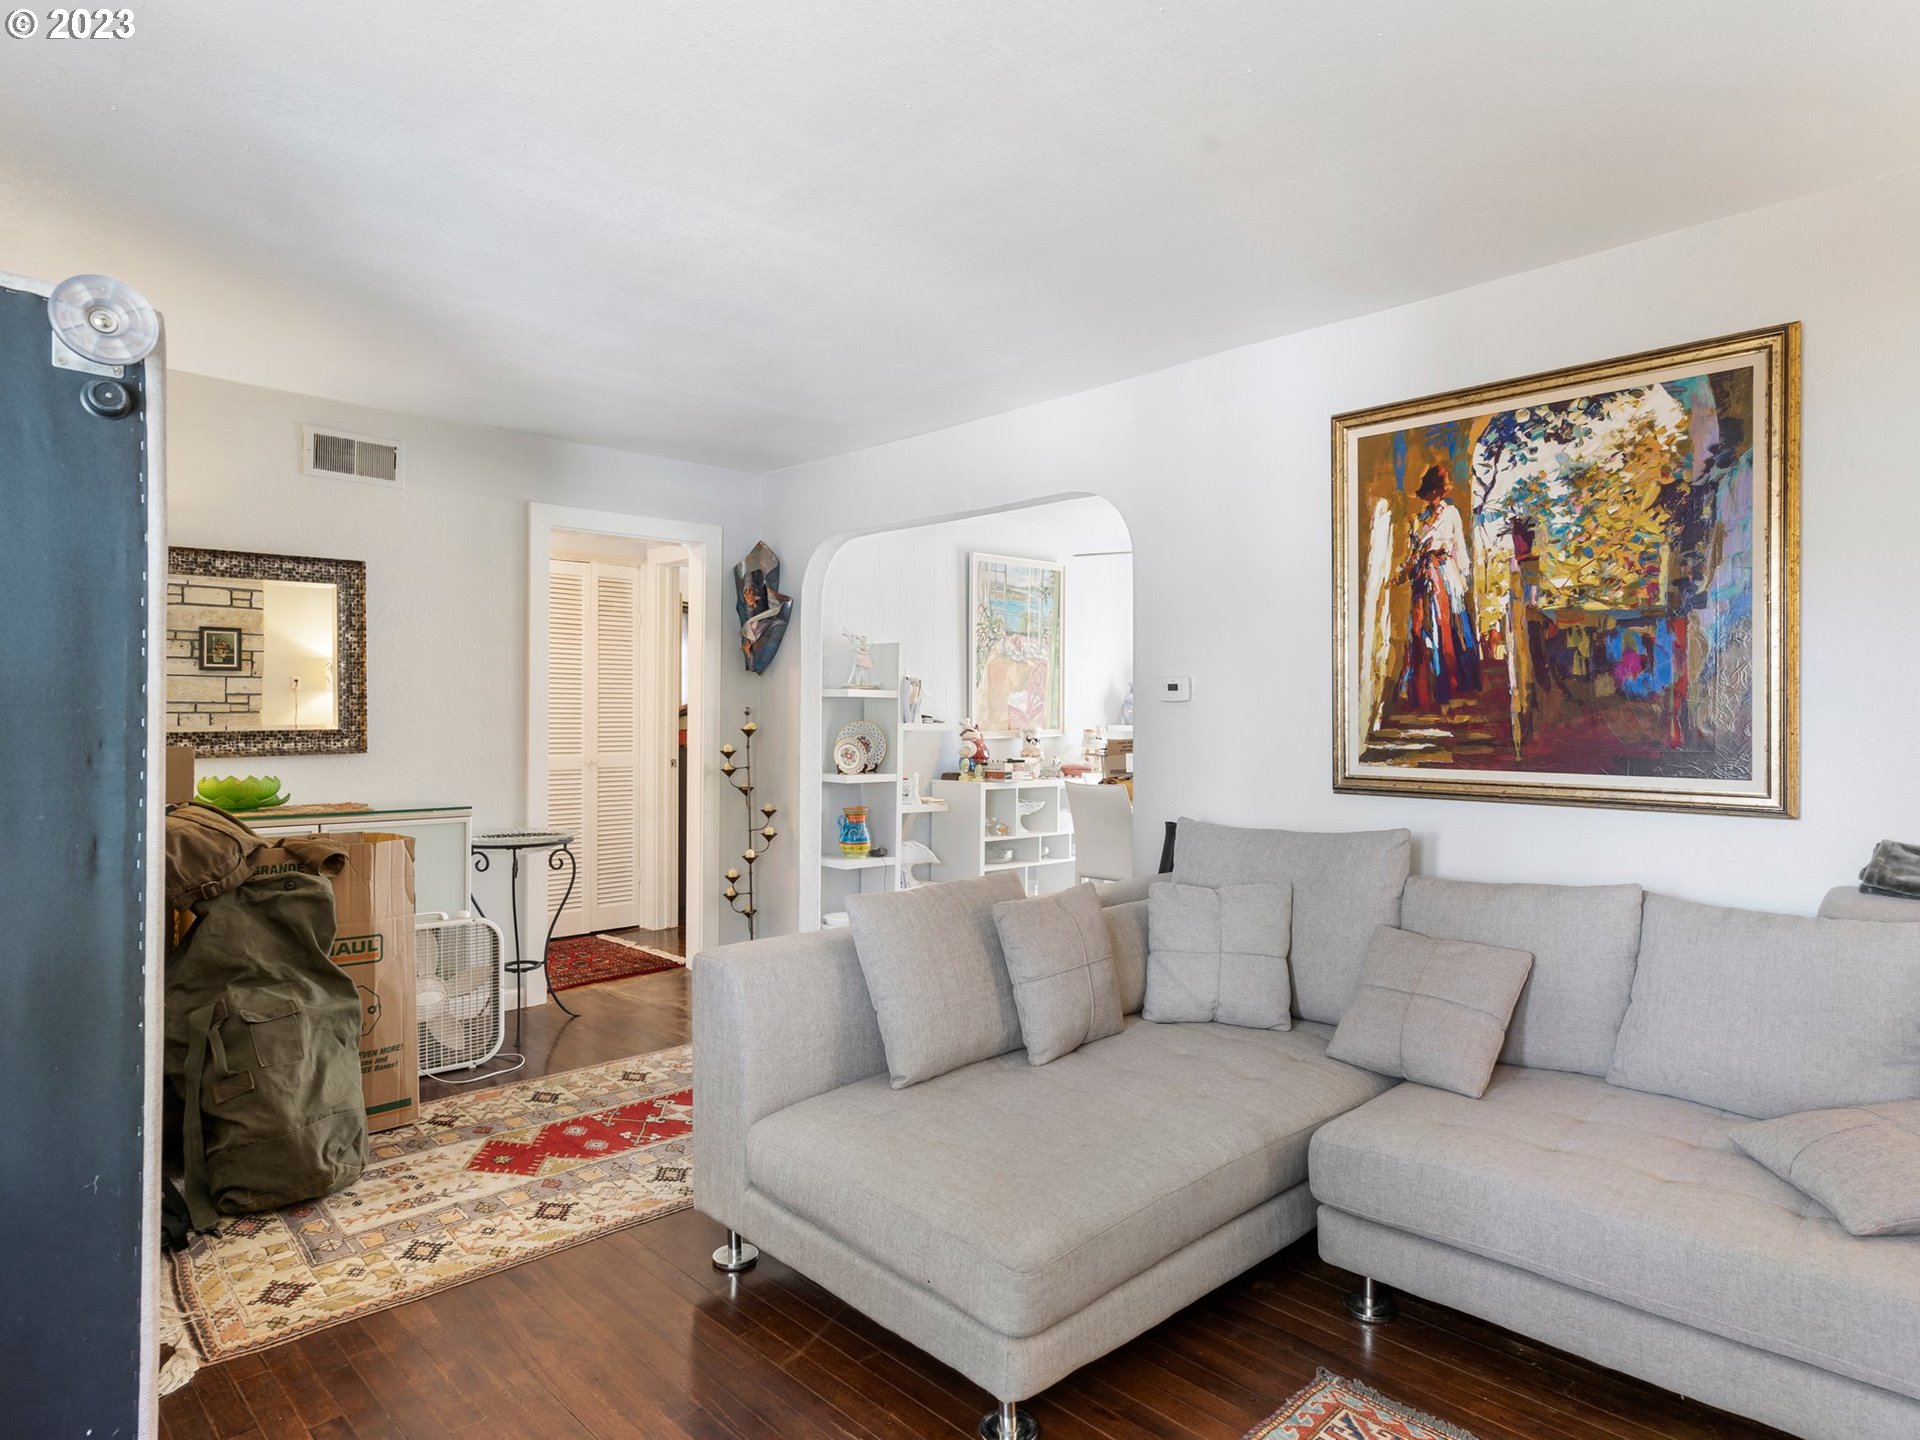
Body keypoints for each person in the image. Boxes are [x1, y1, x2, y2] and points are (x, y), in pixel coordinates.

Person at [1395, 464, 1483, 707]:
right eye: (1432, 492)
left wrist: (1462, 577)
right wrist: (1405, 572)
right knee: (1424, 629)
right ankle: (1428, 686)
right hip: (1424, 577)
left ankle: (1456, 682)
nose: (1435, 496)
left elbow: (1459, 547)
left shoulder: (1451, 513)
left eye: (1438, 491)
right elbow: (1414, 554)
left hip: (1445, 573)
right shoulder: (1419, 520)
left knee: (1450, 624)